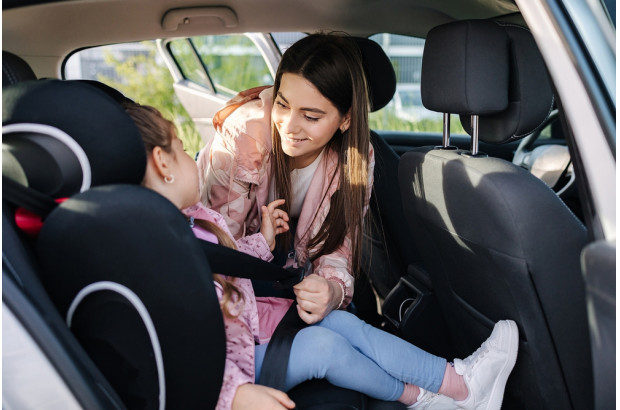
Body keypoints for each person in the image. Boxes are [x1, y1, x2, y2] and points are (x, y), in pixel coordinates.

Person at [126, 102, 520, 410]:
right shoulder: (153, 252)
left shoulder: (193, 220)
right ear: (164, 164)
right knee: (324, 349)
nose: (197, 162)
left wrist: (262, 241)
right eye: (183, 151)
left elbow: (224, 262)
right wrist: (233, 395)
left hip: (254, 326)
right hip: (231, 372)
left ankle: (458, 382)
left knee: (341, 324)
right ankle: (420, 397)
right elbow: (179, 343)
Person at [197, 32, 374, 326]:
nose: (289, 127)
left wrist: (333, 289)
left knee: (346, 322)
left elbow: (339, 247)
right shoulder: (244, 134)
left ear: (346, 119)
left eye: (312, 117)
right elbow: (219, 243)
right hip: (239, 257)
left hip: (291, 263)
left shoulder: (357, 157)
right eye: (282, 104)